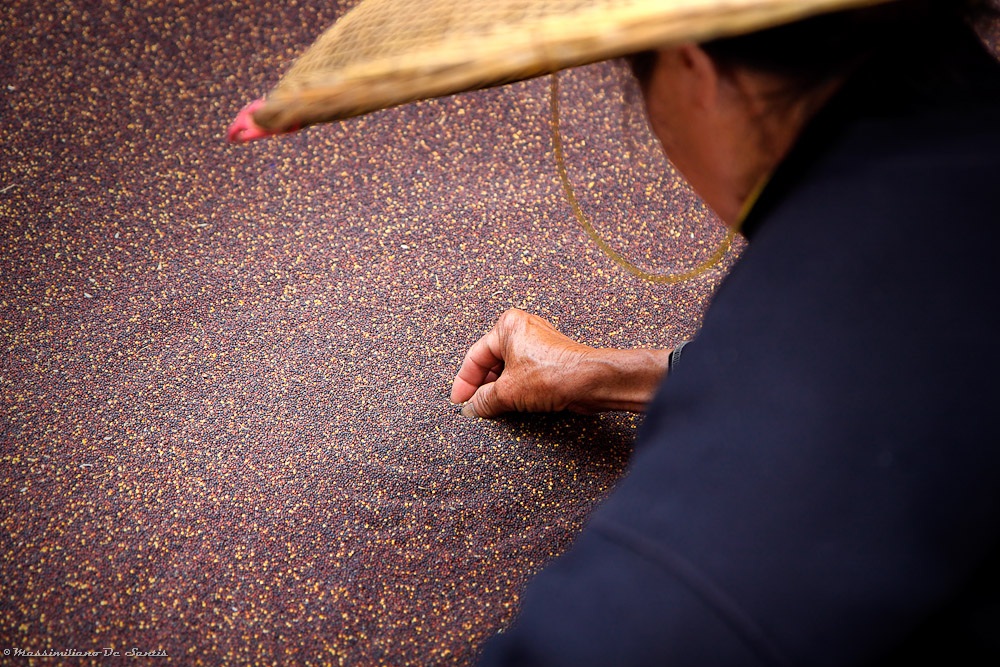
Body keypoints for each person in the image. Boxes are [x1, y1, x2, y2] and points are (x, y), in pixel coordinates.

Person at [452, 1, 1000, 664]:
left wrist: (756, 383)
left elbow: (643, 627)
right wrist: (620, 374)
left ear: (691, 66)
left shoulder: (832, 324)